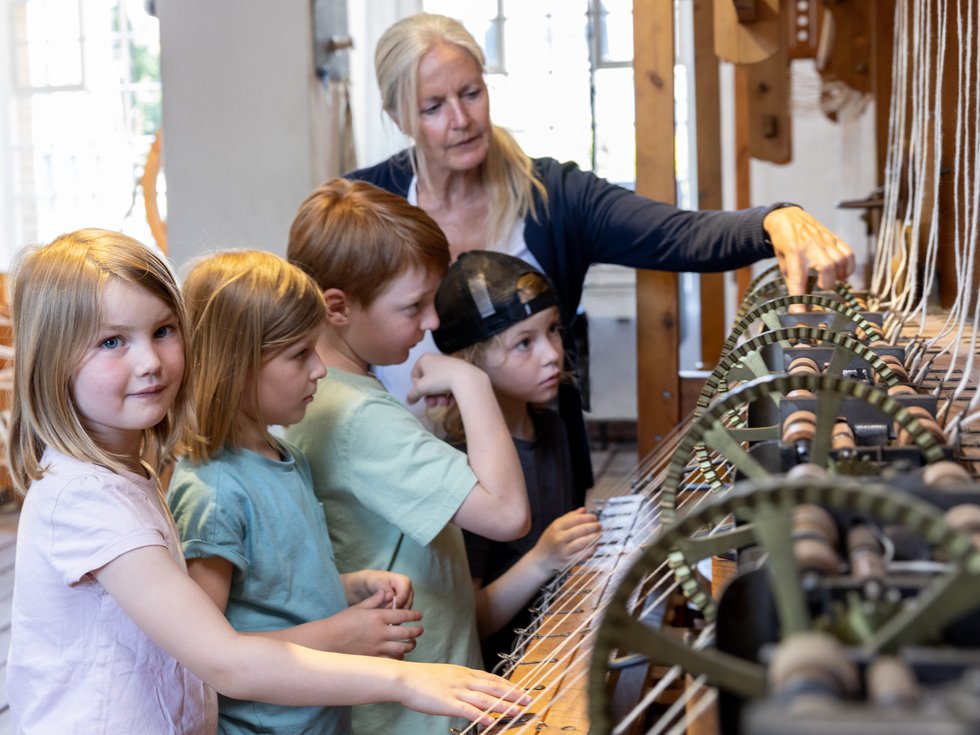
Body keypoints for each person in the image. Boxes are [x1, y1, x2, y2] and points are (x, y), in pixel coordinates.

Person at [4, 229, 531, 734]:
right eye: (112, 341)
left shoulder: (124, 473)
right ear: (53, 360)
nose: (151, 362)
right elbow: (227, 660)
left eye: (163, 331)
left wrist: (338, 589)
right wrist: (404, 680)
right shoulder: (86, 498)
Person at [347, 11, 858, 498]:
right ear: (398, 116)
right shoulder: (363, 207)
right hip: (399, 469)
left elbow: (677, 234)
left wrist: (774, 221)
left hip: (536, 471)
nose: (460, 119)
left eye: (471, 93)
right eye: (433, 107)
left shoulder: (554, 195)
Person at [284, 178, 530, 735]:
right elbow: (508, 512)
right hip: (412, 712)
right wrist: (473, 383)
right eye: (413, 306)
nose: (432, 323)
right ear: (338, 308)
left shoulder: (336, 396)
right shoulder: (358, 416)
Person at [169, 249, 431, 734]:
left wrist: (350, 587)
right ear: (237, 365)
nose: (320, 369)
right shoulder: (214, 490)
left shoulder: (283, 456)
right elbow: (208, 656)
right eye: (298, 355)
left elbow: (273, 589)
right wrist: (339, 635)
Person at [429, 250, 602, 670]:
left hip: (563, 637)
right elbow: (469, 620)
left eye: (553, 331)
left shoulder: (553, 428)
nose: (551, 354)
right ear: (472, 363)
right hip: (506, 671)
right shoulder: (459, 465)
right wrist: (542, 559)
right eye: (524, 343)